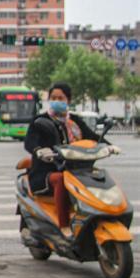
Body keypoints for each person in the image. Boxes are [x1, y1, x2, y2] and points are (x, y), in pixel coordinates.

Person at [24, 82, 111, 237]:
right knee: (61, 179)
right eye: (53, 97)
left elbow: (92, 137)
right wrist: (39, 151)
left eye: (61, 98)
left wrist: (109, 147)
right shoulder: (40, 121)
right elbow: (30, 141)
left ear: (68, 100)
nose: (57, 100)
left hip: (76, 169)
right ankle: (64, 225)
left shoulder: (75, 122)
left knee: (97, 177)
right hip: (45, 172)